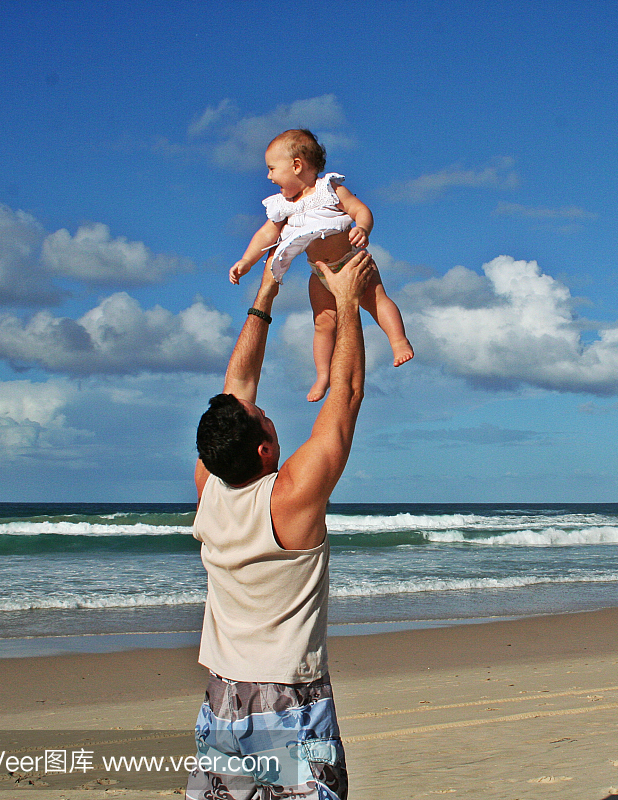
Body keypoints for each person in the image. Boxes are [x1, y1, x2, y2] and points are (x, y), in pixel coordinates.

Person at [187, 251, 376, 800]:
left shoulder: (210, 487)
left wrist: (265, 295)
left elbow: (237, 385)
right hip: (291, 695)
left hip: (224, 691)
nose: (262, 408)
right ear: (266, 447)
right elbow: (346, 396)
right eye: (263, 416)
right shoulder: (290, 499)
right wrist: (346, 301)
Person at [229, 129, 413, 402]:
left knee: (376, 300)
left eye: (271, 168)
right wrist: (246, 260)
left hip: (352, 263)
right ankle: (323, 375)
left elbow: (361, 210)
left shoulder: (330, 189)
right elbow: (266, 235)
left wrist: (362, 227)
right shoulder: (284, 205)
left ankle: (398, 341)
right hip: (320, 274)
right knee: (323, 324)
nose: (268, 177)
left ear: (296, 165)